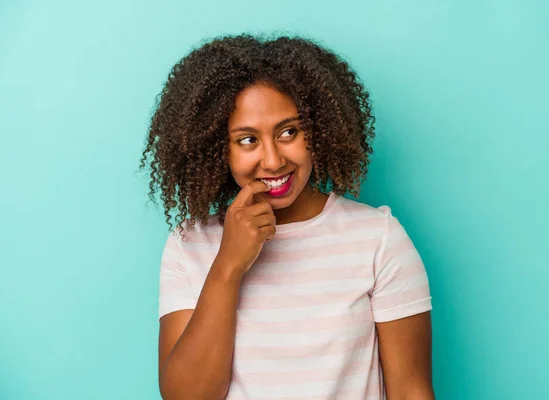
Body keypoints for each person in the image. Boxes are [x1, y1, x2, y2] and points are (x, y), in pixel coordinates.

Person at [139, 34, 434, 400]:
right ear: (217, 148)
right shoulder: (190, 245)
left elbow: (411, 391)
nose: (274, 160)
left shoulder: (378, 239)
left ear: (319, 130)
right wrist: (228, 266)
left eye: (289, 132)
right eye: (247, 140)